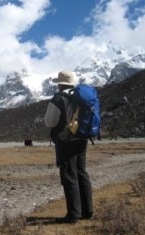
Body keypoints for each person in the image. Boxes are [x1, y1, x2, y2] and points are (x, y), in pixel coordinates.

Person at [44, 71, 93, 224]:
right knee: (81, 173)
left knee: (69, 175)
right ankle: (88, 211)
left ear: (60, 84)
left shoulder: (58, 99)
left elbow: (49, 122)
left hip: (66, 140)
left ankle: (73, 214)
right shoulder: (80, 97)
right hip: (82, 138)